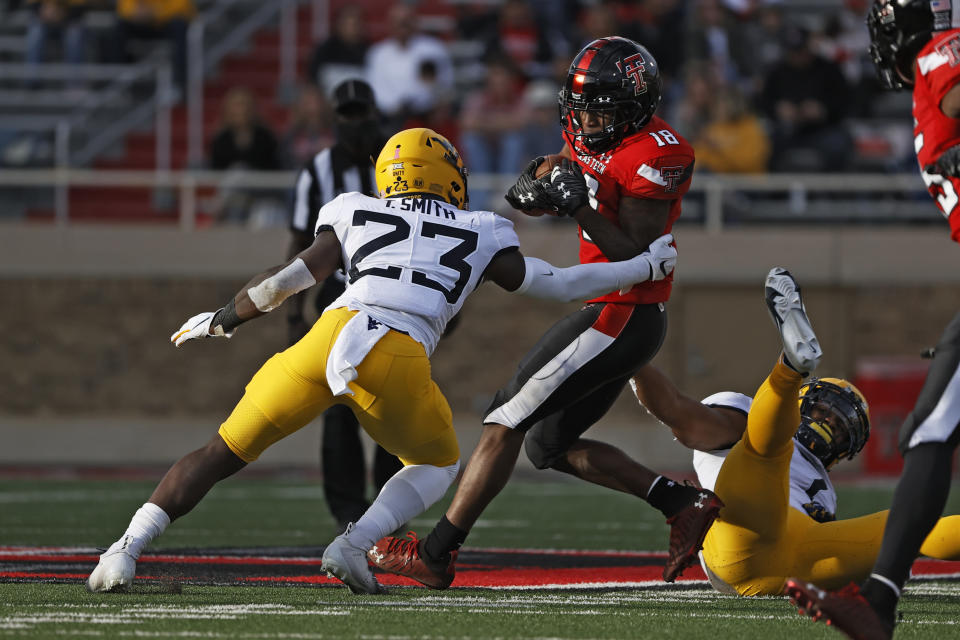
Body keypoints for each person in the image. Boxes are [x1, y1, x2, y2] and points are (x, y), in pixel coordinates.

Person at [84, 126, 679, 596]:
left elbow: (286, 280)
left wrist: (224, 317)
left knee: (222, 450)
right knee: (439, 463)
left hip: (324, 338)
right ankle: (355, 542)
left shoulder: (352, 209)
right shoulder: (483, 228)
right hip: (395, 354)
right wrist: (641, 268)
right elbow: (556, 284)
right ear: (447, 176)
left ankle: (125, 550)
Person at [367, 36, 719, 590]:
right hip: (614, 312)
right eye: (579, 106)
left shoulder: (659, 154)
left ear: (634, 108)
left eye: (599, 108)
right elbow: (544, 179)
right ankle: (681, 503)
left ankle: (435, 555)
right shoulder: (592, 133)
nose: (584, 119)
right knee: (546, 444)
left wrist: (574, 203)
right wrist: (538, 186)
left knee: (504, 419)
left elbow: (639, 257)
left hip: (624, 311)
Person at [785, 2, 960, 638]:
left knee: (930, 431)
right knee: (928, 428)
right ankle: (879, 602)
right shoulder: (934, 72)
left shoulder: (945, 53)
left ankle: (879, 605)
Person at [632, 267, 960, 598]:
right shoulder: (746, 417)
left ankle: (792, 365)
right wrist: (630, 360)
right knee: (766, 448)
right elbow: (678, 413)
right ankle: (791, 367)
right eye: (823, 412)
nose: (828, 425)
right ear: (801, 405)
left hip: (796, 561)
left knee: (915, 524)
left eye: (841, 429)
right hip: (742, 533)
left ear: (846, 451)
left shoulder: (825, 490)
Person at [286, 78, 402, 534]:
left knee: (392, 399)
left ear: (375, 114)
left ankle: (387, 509)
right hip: (337, 296)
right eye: (348, 116)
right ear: (336, 120)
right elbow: (299, 242)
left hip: (392, 294)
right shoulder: (317, 170)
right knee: (337, 404)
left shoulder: (397, 162)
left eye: (362, 115)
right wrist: (294, 313)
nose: (356, 124)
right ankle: (347, 511)